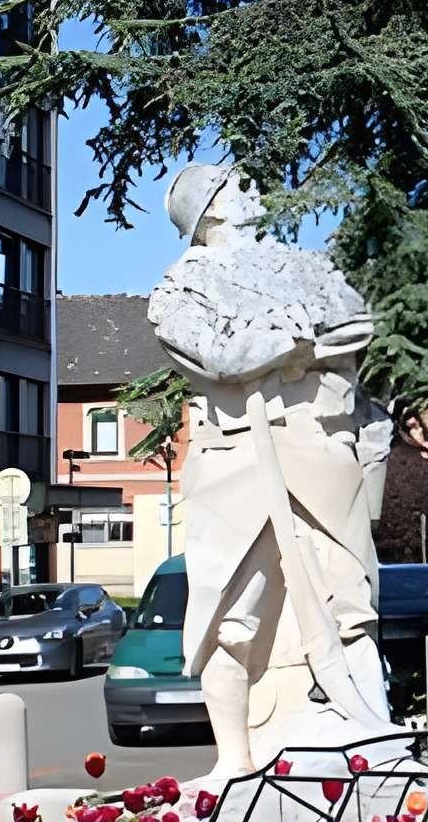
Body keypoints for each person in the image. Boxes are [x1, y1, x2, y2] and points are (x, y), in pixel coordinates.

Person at [147, 163, 392, 777]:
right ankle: (235, 761)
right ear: (208, 211)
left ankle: (369, 734)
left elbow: (355, 322)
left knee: (350, 599)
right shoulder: (178, 291)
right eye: (237, 184)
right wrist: (298, 345)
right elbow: (225, 355)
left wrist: (278, 345)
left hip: (318, 448)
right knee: (229, 620)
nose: (255, 190)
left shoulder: (302, 263)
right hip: (236, 460)